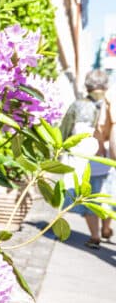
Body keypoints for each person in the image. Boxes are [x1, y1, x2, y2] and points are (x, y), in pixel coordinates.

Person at [59, 69, 115, 249]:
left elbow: (63, 132)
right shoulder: (110, 104)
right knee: (107, 195)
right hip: (108, 158)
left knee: (88, 197)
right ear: (106, 86)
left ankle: (95, 235)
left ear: (87, 86)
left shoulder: (77, 106)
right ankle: (106, 227)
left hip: (84, 161)